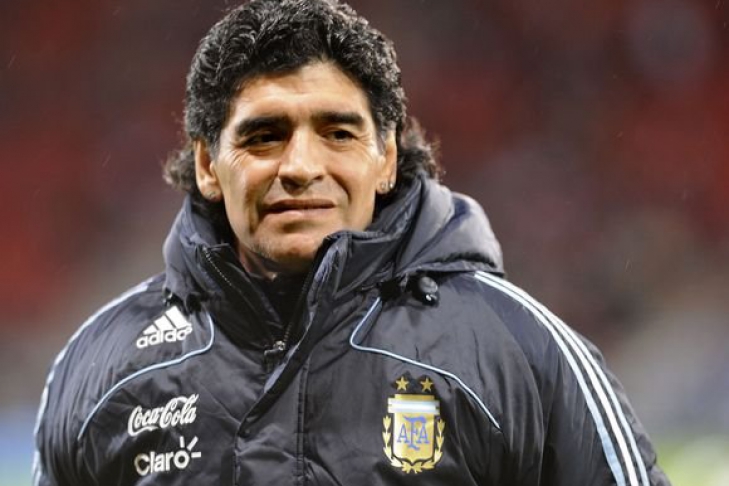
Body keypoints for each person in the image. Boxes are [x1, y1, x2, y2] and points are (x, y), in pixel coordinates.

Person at [33, 0, 671, 484]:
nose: (300, 166)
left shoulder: (519, 351)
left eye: (338, 133)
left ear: (387, 158)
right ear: (206, 165)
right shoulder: (102, 368)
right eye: (264, 136)